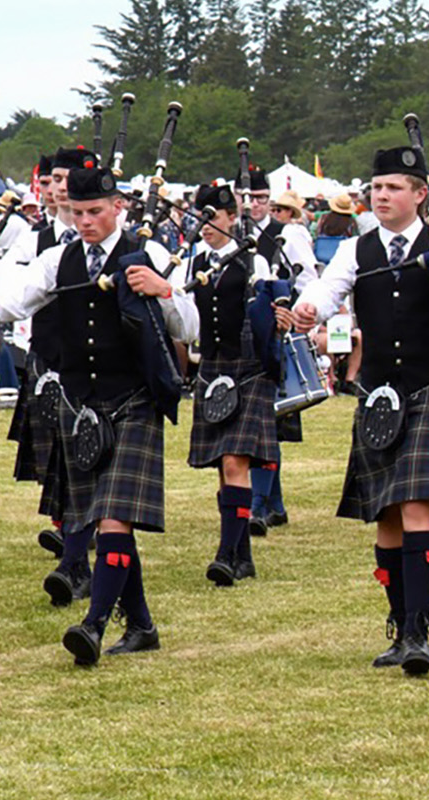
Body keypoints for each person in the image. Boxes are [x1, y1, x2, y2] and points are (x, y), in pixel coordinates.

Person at [0, 162, 198, 666]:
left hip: (134, 400)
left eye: (95, 212)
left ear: (118, 207)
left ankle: (92, 625)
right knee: (107, 520)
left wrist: (164, 289)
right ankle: (142, 626)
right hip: (83, 403)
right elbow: (21, 295)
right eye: (76, 212)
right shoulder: (59, 259)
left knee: (114, 519)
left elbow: (189, 327)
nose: (85, 221)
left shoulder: (148, 253)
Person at [291, 145, 429, 676]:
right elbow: (328, 286)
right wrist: (310, 306)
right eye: (376, 188)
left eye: (393, 188)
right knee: (385, 515)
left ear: (419, 195)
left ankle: (418, 633)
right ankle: (398, 624)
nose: (381, 196)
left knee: (415, 508)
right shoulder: (356, 250)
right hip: (380, 395)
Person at [0, 150, 95, 605]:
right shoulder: (38, 243)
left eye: (66, 181)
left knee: (83, 461)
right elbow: (6, 287)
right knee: (60, 461)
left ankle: (78, 547)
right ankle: (73, 541)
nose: (57, 188)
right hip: (47, 356)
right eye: (53, 179)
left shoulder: (131, 246)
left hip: (98, 372)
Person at [180, 182, 279, 585]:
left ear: (232, 218)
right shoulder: (195, 261)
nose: (205, 225)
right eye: (200, 217)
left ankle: (225, 555)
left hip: (248, 366)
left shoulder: (255, 262)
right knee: (223, 467)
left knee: (235, 460)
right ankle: (244, 556)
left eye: (213, 218)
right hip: (213, 366)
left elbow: (271, 310)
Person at [248, 188, 321, 534]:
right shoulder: (244, 232)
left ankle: (260, 505)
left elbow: (309, 280)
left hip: (276, 334)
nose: (266, 207)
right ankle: (272, 504)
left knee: (267, 420)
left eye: (272, 203)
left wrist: (291, 312)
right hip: (246, 338)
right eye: (262, 201)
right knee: (264, 422)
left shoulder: (290, 236)